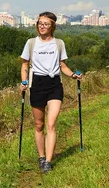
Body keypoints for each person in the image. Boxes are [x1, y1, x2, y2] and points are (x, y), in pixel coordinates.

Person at [20, 11, 82, 174]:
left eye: (46, 24)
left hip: (54, 84)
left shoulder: (59, 44)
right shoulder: (31, 43)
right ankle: (41, 156)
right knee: (39, 125)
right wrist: (24, 82)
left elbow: (63, 66)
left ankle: (48, 161)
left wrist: (73, 75)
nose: (42, 26)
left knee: (51, 123)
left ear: (52, 26)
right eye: (40, 23)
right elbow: (25, 65)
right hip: (37, 84)